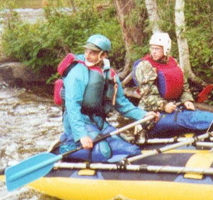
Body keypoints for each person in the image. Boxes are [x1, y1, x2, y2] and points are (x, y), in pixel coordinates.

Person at [57, 34, 158, 162]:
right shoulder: (77, 72)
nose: (88, 55)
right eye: (87, 51)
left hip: (98, 121)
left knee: (132, 150)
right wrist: (81, 135)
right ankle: (67, 145)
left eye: (93, 53)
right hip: (79, 120)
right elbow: (72, 107)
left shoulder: (110, 74)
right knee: (104, 152)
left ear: (103, 55)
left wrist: (143, 115)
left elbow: (122, 104)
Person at [132, 31, 213, 138]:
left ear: (165, 49)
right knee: (203, 120)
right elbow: (147, 95)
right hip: (152, 111)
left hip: (175, 107)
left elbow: (184, 86)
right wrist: (164, 105)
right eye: (152, 48)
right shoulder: (145, 66)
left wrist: (187, 100)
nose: (153, 52)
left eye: (157, 49)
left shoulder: (173, 63)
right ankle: (144, 129)